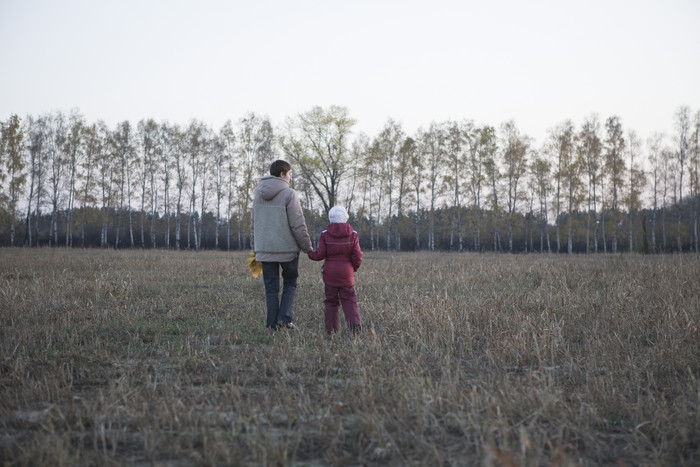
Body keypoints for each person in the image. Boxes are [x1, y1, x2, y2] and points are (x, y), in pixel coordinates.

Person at [251, 160, 312, 330]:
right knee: (290, 283)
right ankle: (284, 319)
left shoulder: (258, 194)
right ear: (283, 174)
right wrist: (307, 246)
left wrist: (255, 247)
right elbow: (297, 223)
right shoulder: (289, 194)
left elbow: (253, 223)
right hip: (287, 250)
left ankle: (271, 325)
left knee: (271, 289)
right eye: (290, 173)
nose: (291, 177)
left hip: (264, 248)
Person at [307, 205, 363, 334]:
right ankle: (354, 323)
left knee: (331, 302)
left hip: (330, 274)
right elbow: (358, 256)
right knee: (349, 299)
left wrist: (310, 253)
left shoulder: (325, 234)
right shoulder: (353, 235)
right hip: (346, 273)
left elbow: (319, 255)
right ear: (346, 218)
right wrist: (353, 268)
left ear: (330, 218)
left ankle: (331, 330)